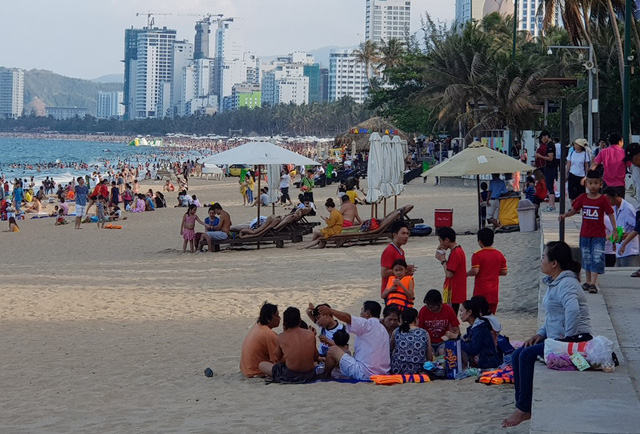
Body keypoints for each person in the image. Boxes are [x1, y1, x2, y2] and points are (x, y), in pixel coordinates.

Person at [502, 241, 591, 428]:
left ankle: (524, 408)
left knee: (526, 356)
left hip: (575, 340)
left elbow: (573, 311)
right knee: (518, 353)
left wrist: (567, 340)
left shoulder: (567, 283)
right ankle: (521, 405)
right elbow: (553, 315)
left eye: (544, 257)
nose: (541, 260)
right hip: (555, 339)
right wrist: (541, 334)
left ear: (554, 263)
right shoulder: (555, 282)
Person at [560, 170, 617, 293]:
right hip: (585, 234)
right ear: (586, 184)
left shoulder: (603, 200)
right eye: (590, 183)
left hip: (599, 235)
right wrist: (565, 215)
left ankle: (593, 283)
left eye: (596, 183)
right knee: (586, 256)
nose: (593, 186)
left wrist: (615, 230)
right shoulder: (582, 198)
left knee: (597, 256)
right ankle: (588, 281)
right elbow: (574, 210)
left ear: (600, 184)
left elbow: (611, 214)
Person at [318, 301, 391, 381]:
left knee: (333, 350)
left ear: (367, 313)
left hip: (365, 373)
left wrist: (331, 311)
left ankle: (325, 376)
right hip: (383, 372)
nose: (360, 313)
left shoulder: (367, 324)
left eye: (362, 310)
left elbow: (348, 318)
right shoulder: (383, 329)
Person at [259, 307, 318, 383]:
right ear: (299, 321)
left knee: (262, 365)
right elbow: (315, 357)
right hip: (310, 374)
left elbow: (278, 358)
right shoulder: (310, 334)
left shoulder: (281, 337)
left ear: (284, 323)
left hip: (290, 376)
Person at [467, 228, 507, 313]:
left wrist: (466, 274)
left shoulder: (477, 255)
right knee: (491, 317)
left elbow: (475, 271)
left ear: (480, 241)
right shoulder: (499, 254)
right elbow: (504, 272)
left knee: (479, 316)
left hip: (481, 290)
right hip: (493, 292)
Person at [459, 297, 502, 369]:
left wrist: (458, 340)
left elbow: (472, 349)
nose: (460, 314)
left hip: (487, 363)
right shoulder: (476, 326)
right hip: (484, 361)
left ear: (469, 312)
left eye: (461, 311)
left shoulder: (479, 328)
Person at [240, 303, 280, 378]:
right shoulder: (269, 334)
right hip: (256, 373)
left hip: (245, 370)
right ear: (268, 318)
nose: (279, 318)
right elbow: (277, 360)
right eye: (276, 315)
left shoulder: (256, 327)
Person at [603, 187, 640, 267]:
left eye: (608, 199)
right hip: (619, 249)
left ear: (615, 196)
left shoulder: (628, 209)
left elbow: (637, 228)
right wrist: (614, 242)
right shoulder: (614, 208)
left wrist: (627, 235)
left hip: (630, 251)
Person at [418, 290, 461, 356]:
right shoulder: (423, 311)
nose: (432, 309)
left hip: (443, 341)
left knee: (442, 352)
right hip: (429, 342)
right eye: (429, 306)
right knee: (429, 354)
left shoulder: (448, 310)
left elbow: (457, 330)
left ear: (440, 303)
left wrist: (452, 335)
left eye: (434, 306)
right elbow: (419, 330)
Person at [390, 307, 432, 374]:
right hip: (418, 370)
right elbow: (429, 357)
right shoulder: (424, 333)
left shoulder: (397, 331)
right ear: (416, 319)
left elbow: (390, 348)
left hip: (398, 369)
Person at [435, 226, 467, 313]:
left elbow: (449, 274)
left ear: (446, 240)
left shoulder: (456, 253)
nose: (440, 244)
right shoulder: (458, 251)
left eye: (440, 241)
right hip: (456, 290)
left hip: (453, 291)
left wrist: (443, 260)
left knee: (450, 315)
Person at [380, 221, 416, 295]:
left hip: (399, 289)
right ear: (394, 235)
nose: (406, 236)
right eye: (403, 233)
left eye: (407, 233)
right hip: (390, 290)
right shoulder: (389, 251)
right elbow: (384, 273)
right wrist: (404, 269)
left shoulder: (401, 251)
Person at [590, 133, 629, 198]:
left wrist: (589, 177)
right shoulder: (624, 153)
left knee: (606, 205)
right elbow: (630, 165)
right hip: (620, 185)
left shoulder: (603, 152)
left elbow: (595, 164)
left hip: (607, 184)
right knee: (619, 206)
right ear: (620, 141)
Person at [535, 131, 557, 211]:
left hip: (550, 168)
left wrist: (540, 156)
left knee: (550, 187)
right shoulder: (548, 145)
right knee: (548, 186)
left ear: (546, 136)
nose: (542, 140)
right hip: (547, 167)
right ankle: (550, 204)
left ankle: (552, 205)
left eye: (542, 138)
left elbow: (550, 158)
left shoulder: (550, 145)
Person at [566, 138, 590, 203]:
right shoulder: (571, 153)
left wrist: (587, 176)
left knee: (580, 191)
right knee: (571, 191)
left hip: (581, 175)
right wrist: (566, 173)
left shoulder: (585, 154)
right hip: (572, 173)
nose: (575, 146)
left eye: (576, 144)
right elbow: (568, 164)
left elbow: (586, 166)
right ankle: (573, 205)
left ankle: (579, 205)